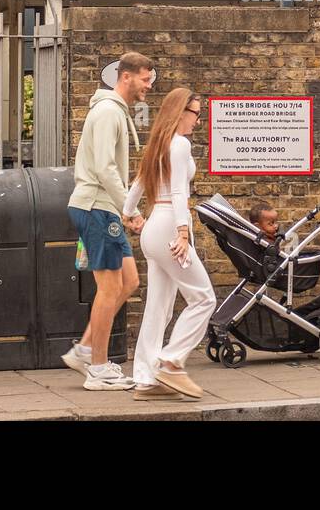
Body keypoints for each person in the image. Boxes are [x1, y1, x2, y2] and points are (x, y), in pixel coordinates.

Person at [62, 52, 154, 390]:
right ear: (126, 76)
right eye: (145, 79)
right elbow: (104, 168)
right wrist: (128, 209)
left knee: (128, 280)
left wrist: (122, 210)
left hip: (104, 209)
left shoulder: (114, 112)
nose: (148, 86)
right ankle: (98, 369)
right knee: (111, 287)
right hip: (96, 208)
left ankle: (86, 349)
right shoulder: (106, 113)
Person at [121, 88, 216, 401]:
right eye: (195, 114)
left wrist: (131, 216)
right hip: (170, 228)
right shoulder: (179, 143)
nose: (198, 121)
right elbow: (178, 192)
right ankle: (172, 362)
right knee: (203, 298)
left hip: (153, 227)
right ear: (179, 112)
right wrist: (183, 232)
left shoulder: (158, 145)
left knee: (158, 309)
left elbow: (133, 192)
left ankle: (146, 380)